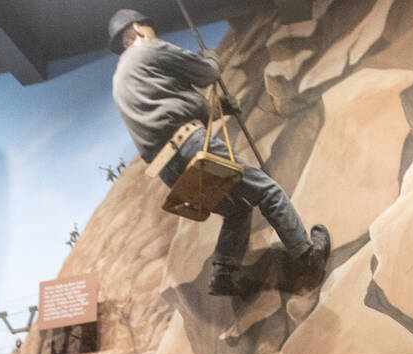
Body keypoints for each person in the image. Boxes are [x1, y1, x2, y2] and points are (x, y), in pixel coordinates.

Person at [108, 9, 330, 298]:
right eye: (149, 29)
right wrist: (210, 57)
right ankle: (308, 257)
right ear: (137, 30)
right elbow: (206, 74)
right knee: (267, 191)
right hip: (192, 146)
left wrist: (216, 110)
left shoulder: (120, 82)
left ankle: (223, 274)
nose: (153, 34)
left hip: (170, 169)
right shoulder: (148, 51)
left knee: (236, 209)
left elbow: (167, 112)